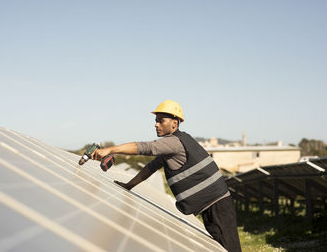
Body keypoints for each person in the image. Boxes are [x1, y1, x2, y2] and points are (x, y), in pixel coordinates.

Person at [90, 100, 241, 252]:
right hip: (213, 204)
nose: (156, 124)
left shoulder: (174, 143)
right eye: (156, 121)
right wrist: (129, 186)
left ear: (174, 123)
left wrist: (109, 150)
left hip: (217, 205)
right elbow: (150, 168)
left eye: (161, 121)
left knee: (229, 248)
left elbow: (145, 148)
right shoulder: (177, 142)